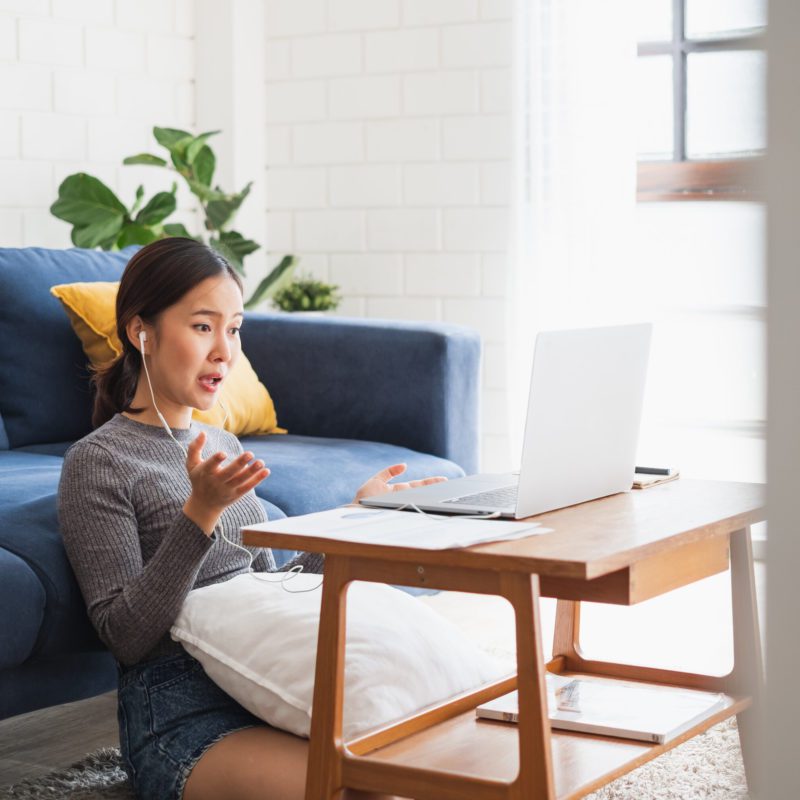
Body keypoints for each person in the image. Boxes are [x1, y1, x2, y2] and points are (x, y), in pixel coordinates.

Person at [57, 237, 445, 800]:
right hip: (181, 715)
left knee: (423, 770)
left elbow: (270, 590)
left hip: (270, 684)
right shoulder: (98, 462)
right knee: (355, 791)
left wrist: (353, 523)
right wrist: (200, 513)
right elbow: (126, 637)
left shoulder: (223, 442)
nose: (224, 351)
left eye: (234, 328)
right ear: (142, 333)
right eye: (202, 326)